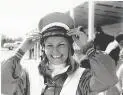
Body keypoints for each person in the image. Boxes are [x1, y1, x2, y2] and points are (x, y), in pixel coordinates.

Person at [1, 12, 118, 95]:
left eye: (61, 45)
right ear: (43, 48)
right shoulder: (28, 75)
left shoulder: (83, 77)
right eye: (49, 45)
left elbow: (108, 79)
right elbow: (4, 84)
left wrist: (88, 48)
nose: (55, 51)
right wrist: (20, 51)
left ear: (69, 47)